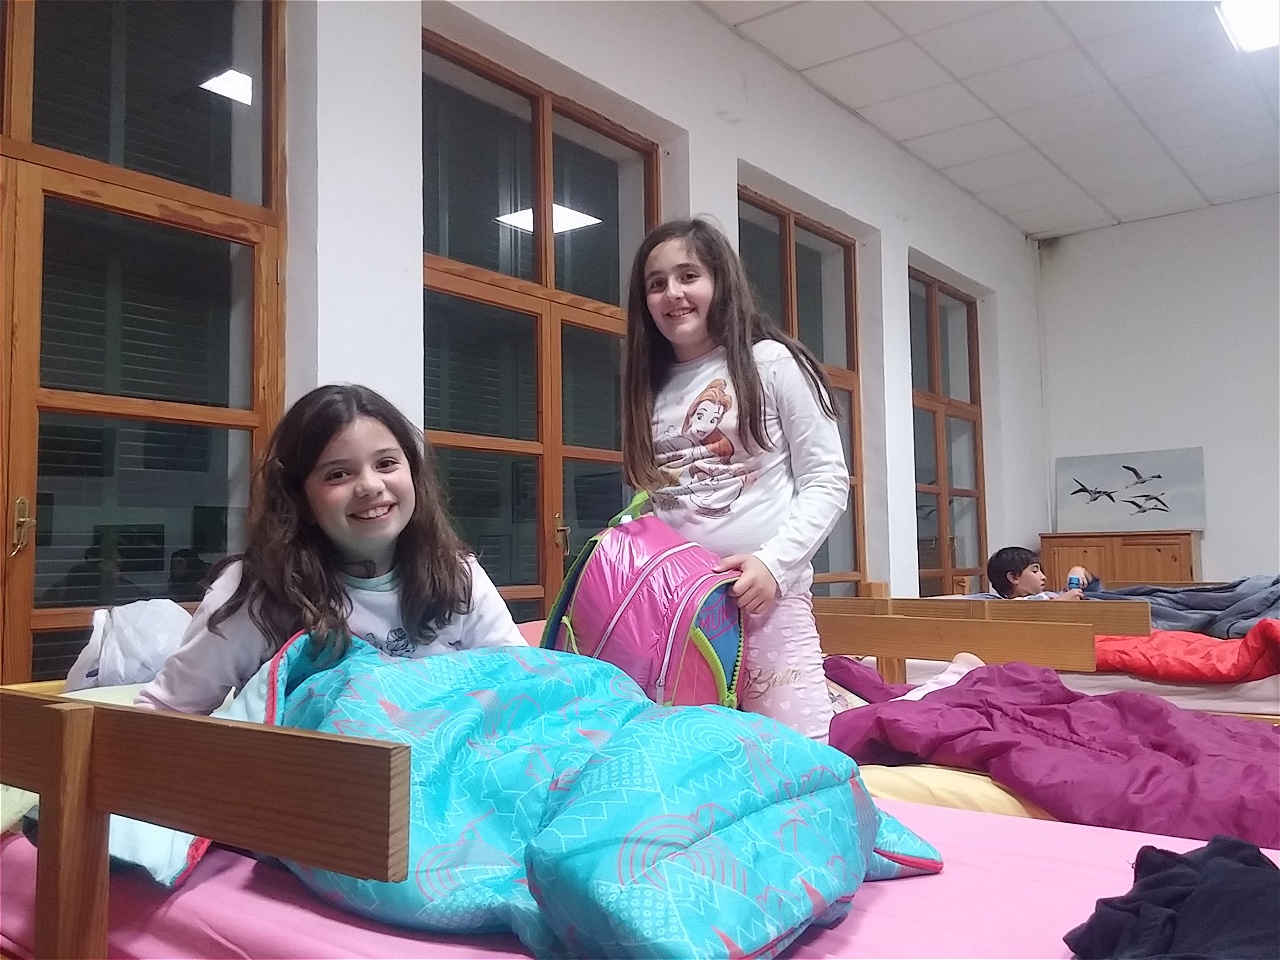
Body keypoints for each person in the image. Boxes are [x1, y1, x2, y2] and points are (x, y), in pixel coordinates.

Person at [136, 384, 526, 714]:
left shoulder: (458, 574)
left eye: (386, 463)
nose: (370, 486)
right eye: (338, 474)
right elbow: (164, 714)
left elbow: (523, 686)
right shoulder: (255, 590)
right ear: (300, 501)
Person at [622, 218, 848, 741]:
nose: (672, 293)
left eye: (688, 276)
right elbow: (657, 499)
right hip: (680, 610)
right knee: (698, 756)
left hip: (767, 601)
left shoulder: (772, 362)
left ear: (719, 282)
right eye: (656, 283)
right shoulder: (649, 386)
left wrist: (774, 565)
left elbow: (827, 479)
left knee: (800, 756)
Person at [983, 546, 1093, 600]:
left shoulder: (1047, 595)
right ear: (1014, 577)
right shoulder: (1006, 607)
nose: (1043, 577)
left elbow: (1094, 588)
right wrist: (1060, 605)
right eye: (1035, 571)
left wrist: (1078, 571)